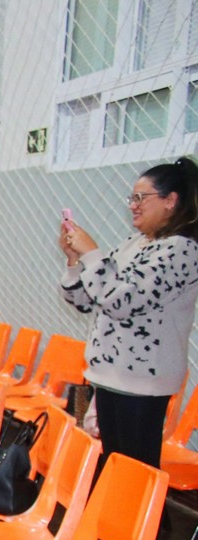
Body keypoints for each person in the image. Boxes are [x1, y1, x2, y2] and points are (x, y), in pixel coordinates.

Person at [60, 156, 198, 469]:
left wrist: (91, 253)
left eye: (140, 198)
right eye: (131, 198)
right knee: (114, 466)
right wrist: (74, 261)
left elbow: (122, 302)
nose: (133, 206)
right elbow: (85, 300)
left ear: (170, 201)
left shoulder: (180, 249)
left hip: (141, 382)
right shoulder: (135, 243)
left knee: (134, 472)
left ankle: (143, 506)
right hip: (110, 376)